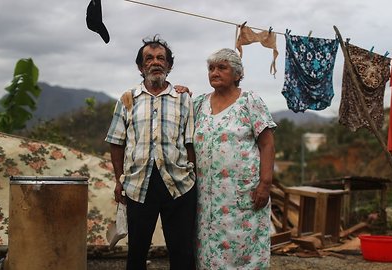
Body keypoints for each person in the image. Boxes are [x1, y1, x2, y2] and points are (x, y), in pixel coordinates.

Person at [105, 35, 196, 270]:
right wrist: (119, 180)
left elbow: (190, 143)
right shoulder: (127, 99)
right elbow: (117, 142)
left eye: (160, 58)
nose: (155, 62)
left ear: (169, 65)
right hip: (138, 184)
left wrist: (194, 176)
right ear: (140, 66)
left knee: (182, 251)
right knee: (136, 252)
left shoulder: (183, 99)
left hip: (178, 184)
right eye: (149, 58)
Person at [193, 48, 276, 269]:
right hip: (207, 199)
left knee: (244, 254)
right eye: (211, 68)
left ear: (237, 74)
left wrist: (265, 183)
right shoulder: (199, 103)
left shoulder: (250, 101)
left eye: (222, 67)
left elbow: (267, 143)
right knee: (209, 254)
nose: (215, 72)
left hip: (243, 194)